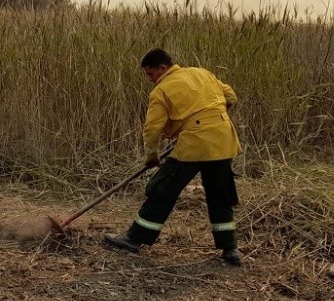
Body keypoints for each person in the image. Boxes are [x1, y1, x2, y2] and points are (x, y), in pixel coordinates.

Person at [103, 48, 243, 265]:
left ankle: (134, 239)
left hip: (195, 145)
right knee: (220, 195)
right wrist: (209, 119)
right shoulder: (202, 73)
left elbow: (152, 127)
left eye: (150, 74)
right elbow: (231, 96)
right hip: (224, 140)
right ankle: (230, 250)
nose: (150, 80)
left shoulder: (162, 90)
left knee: (162, 189)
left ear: (162, 68)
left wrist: (151, 154)